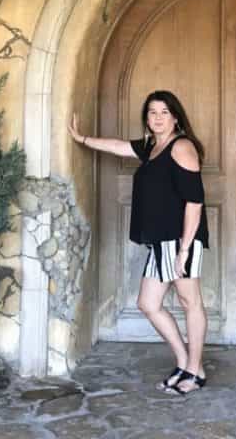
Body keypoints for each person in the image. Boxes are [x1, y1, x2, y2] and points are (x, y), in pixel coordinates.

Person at [68, 90, 210, 395]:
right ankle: (184, 361)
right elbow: (119, 146)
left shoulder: (182, 147)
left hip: (181, 239)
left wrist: (184, 250)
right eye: (152, 112)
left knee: (190, 302)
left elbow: (194, 202)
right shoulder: (152, 146)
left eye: (164, 112)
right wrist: (83, 139)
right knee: (148, 304)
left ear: (175, 117)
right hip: (160, 241)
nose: (158, 118)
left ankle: (195, 370)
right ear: (147, 118)